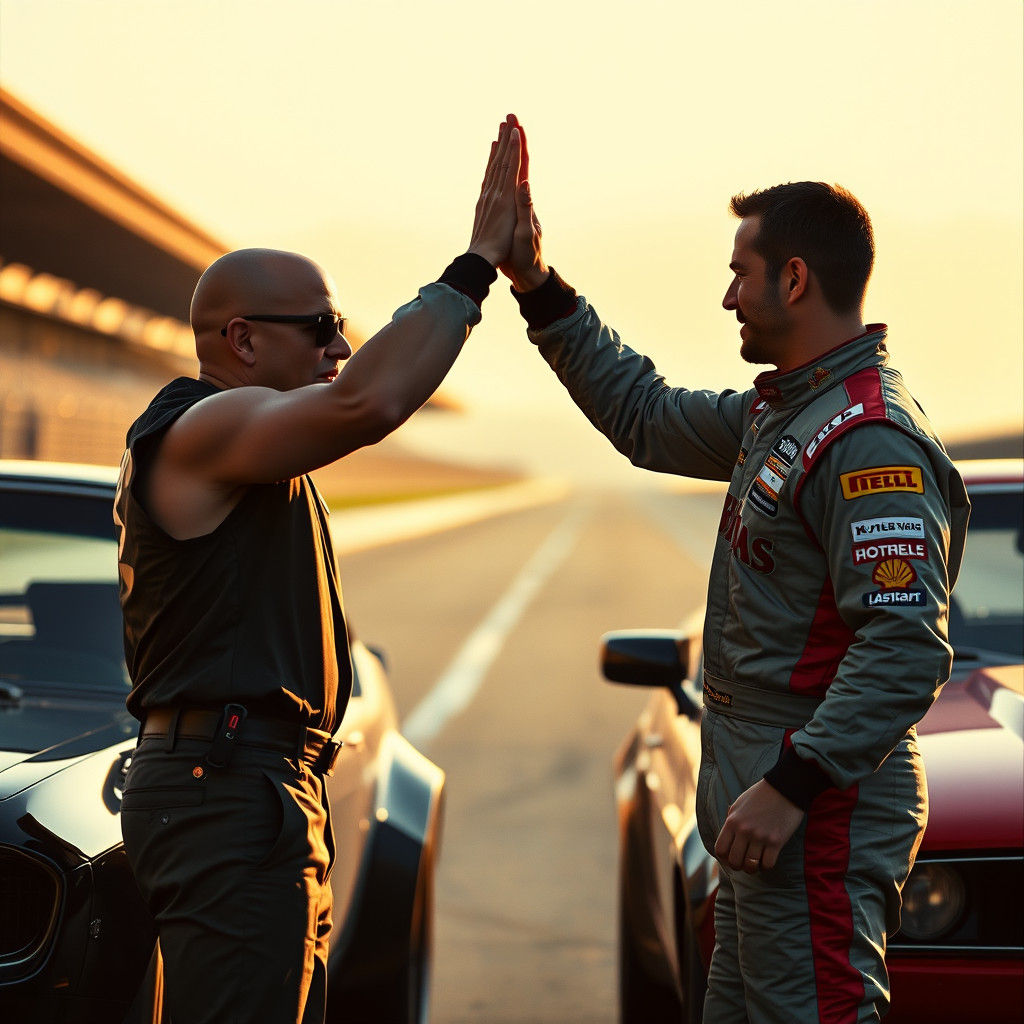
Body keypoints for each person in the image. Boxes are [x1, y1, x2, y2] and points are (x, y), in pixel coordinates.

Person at [500, 136, 969, 1023]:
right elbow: (643, 413)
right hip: (763, 813)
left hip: (813, 815)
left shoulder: (867, 441)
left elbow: (906, 645)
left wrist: (792, 786)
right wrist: (537, 284)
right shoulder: (783, 410)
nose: (727, 296)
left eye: (739, 272)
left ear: (794, 280)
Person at [113, 116, 522, 1024]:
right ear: (244, 341)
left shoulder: (252, 453)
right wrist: (475, 267)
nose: (341, 347)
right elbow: (368, 400)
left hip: (246, 785)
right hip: (225, 789)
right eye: (325, 329)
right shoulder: (202, 426)